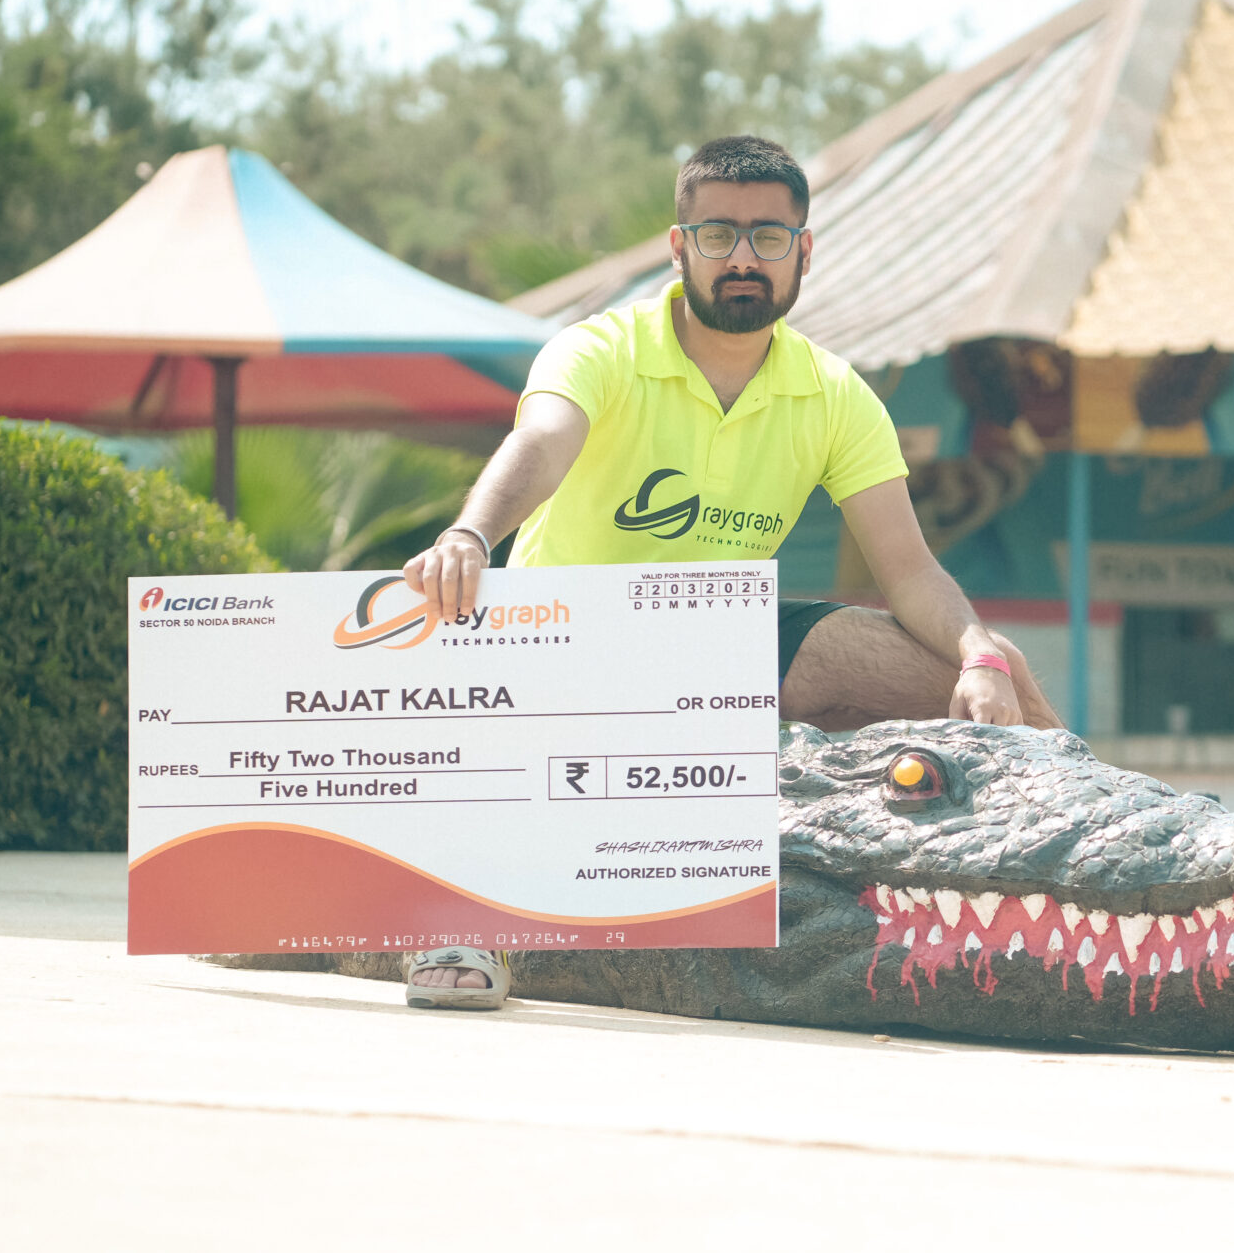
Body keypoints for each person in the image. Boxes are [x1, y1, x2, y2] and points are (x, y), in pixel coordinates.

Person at [395, 134, 1060, 1010]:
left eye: (768, 237)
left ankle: (1098, 860)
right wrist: (471, 535)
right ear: (680, 248)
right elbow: (543, 441)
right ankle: (466, 914)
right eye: (718, 235)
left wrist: (977, 653)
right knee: (503, 784)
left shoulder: (834, 393)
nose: (743, 257)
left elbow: (909, 570)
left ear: (803, 252)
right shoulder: (599, 348)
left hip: (715, 644)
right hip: (562, 647)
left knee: (996, 669)